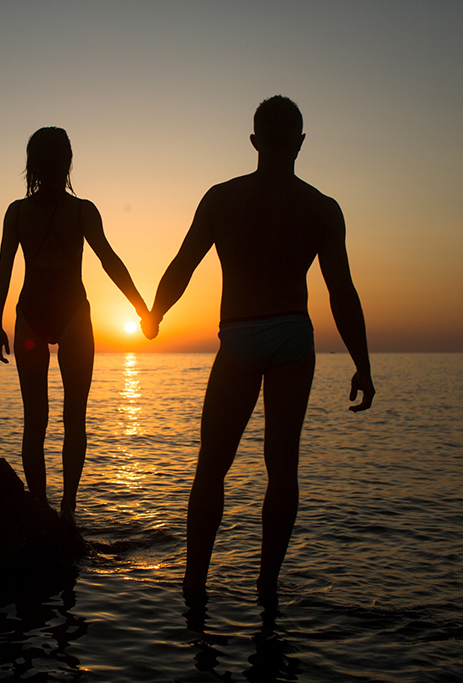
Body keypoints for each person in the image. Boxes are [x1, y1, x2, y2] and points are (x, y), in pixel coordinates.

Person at [141, 96, 375, 604]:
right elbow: (342, 292)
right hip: (293, 335)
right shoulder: (322, 208)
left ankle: (194, 584)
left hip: (241, 335)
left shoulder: (223, 198)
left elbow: (183, 265)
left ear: (253, 142)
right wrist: (362, 364)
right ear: (300, 143)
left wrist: (155, 315)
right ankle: (266, 588)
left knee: (213, 465)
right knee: (282, 469)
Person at [0, 127, 149, 524]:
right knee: (72, 417)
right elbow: (110, 261)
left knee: (36, 419)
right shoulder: (81, 211)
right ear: (67, 162)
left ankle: (43, 507)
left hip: (30, 314)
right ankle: (65, 510)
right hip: (73, 315)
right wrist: (142, 309)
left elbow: (4, 271)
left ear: (32, 164)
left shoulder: (18, 212)